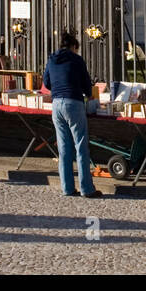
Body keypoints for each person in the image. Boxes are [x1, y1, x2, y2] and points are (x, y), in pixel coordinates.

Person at [43, 31, 103, 198]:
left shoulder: (51, 59)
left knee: (63, 149)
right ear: (73, 46)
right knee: (81, 146)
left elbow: (46, 82)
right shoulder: (76, 60)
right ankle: (86, 188)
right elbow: (86, 86)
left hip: (56, 105)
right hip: (73, 103)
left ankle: (67, 188)